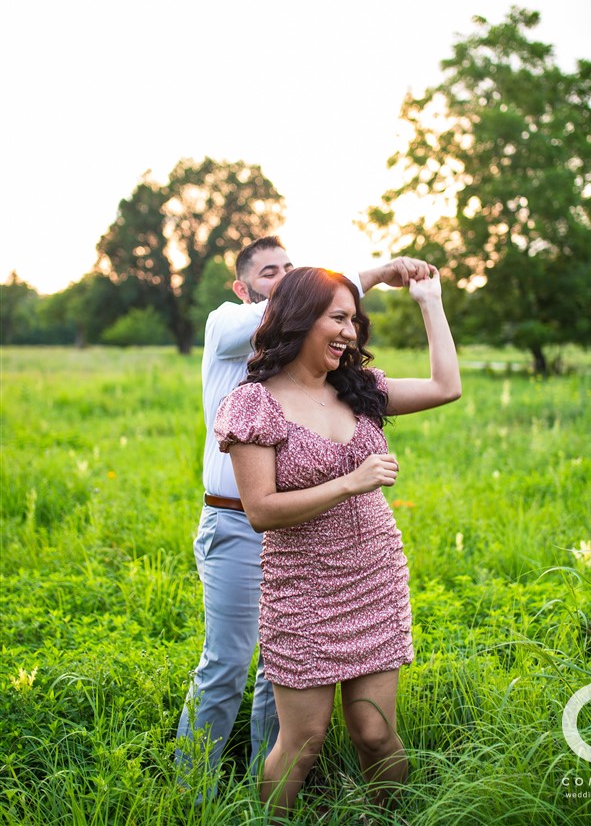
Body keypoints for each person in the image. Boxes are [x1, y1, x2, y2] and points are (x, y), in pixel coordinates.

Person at [175, 236, 436, 785]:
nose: (284, 277)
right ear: (245, 288)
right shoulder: (228, 326)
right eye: (272, 272)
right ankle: (191, 788)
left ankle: (259, 782)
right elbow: (262, 508)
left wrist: (361, 296)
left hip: (333, 543)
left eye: (291, 270)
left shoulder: (332, 375)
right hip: (234, 519)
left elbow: (437, 384)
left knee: (281, 679)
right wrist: (374, 274)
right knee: (226, 665)